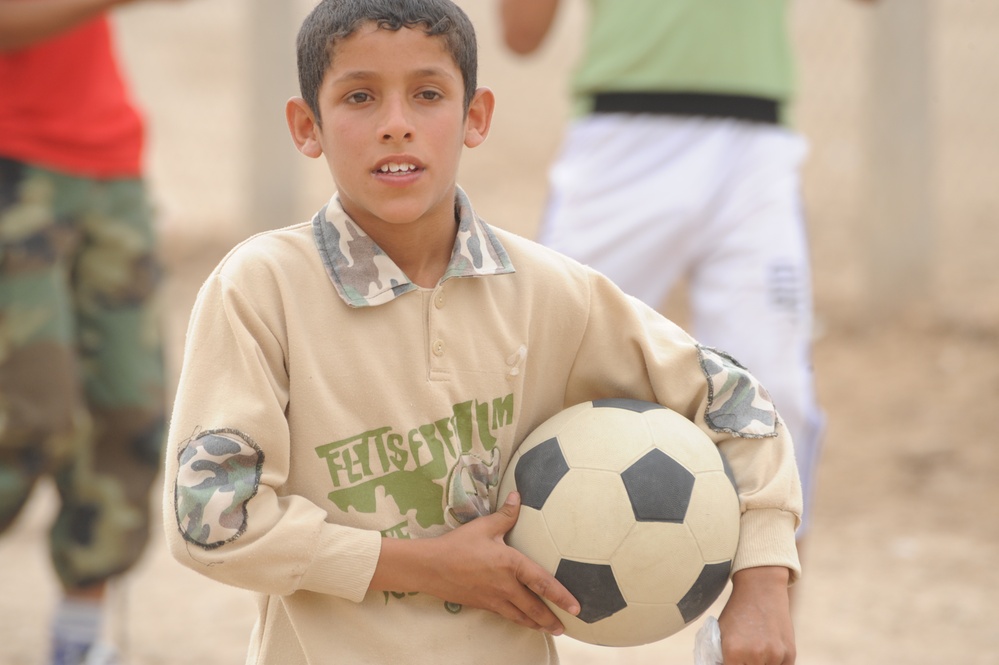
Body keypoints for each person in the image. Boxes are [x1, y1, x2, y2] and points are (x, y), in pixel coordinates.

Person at [162, 1, 802, 663]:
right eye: (359, 96)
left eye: (428, 94)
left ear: (475, 117)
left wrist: (761, 577)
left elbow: (735, 400)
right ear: (307, 125)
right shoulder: (261, 289)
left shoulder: (548, 293)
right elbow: (210, 520)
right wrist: (419, 564)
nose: (396, 125)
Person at [498, 0, 872, 603]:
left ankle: (760, 616)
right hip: (622, 139)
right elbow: (521, 34)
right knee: (528, 371)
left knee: (781, 397)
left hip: (752, 143)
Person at [0, 1, 177, 663]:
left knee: (127, 412)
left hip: (108, 156)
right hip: (10, 156)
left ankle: (79, 638)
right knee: (25, 412)